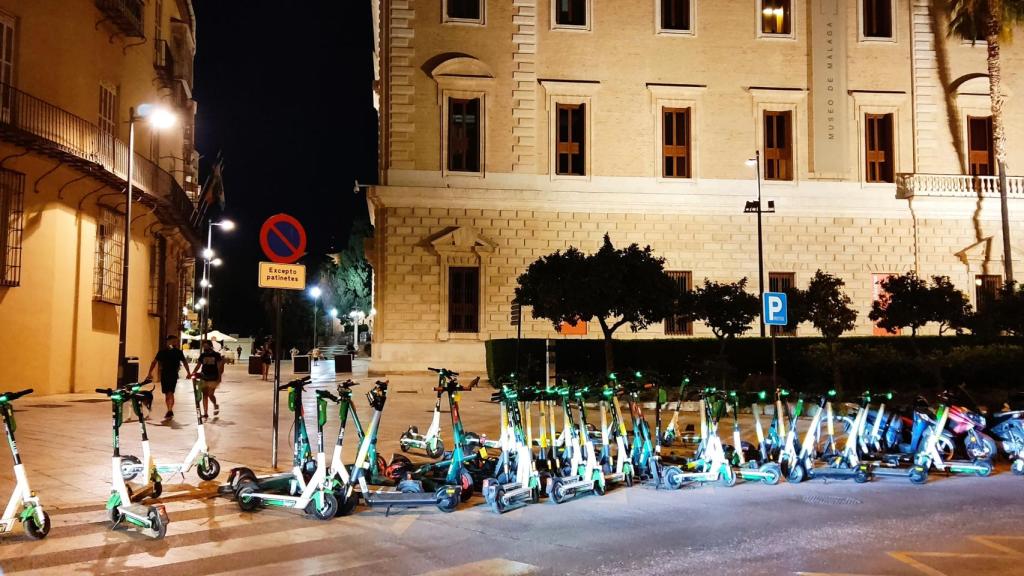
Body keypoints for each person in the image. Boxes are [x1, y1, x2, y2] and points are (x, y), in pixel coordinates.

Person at [146, 335, 191, 420]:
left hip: (173, 374)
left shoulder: (178, 352)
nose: (175, 343)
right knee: (167, 393)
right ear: (168, 341)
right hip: (164, 374)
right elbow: (154, 362)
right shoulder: (162, 352)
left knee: (170, 392)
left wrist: (188, 373)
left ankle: (170, 410)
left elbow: (185, 362)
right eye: (173, 341)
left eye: (176, 341)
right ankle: (169, 410)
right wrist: (149, 373)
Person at [193, 340, 224, 419]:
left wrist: (219, 377)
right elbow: (198, 365)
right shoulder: (203, 355)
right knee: (205, 395)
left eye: (206, 346)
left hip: (213, 377)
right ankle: (205, 413)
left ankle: (215, 404)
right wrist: (193, 373)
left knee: (210, 394)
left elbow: (219, 366)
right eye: (204, 346)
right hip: (204, 376)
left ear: (210, 346)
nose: (205, 347)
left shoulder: (216, 355)